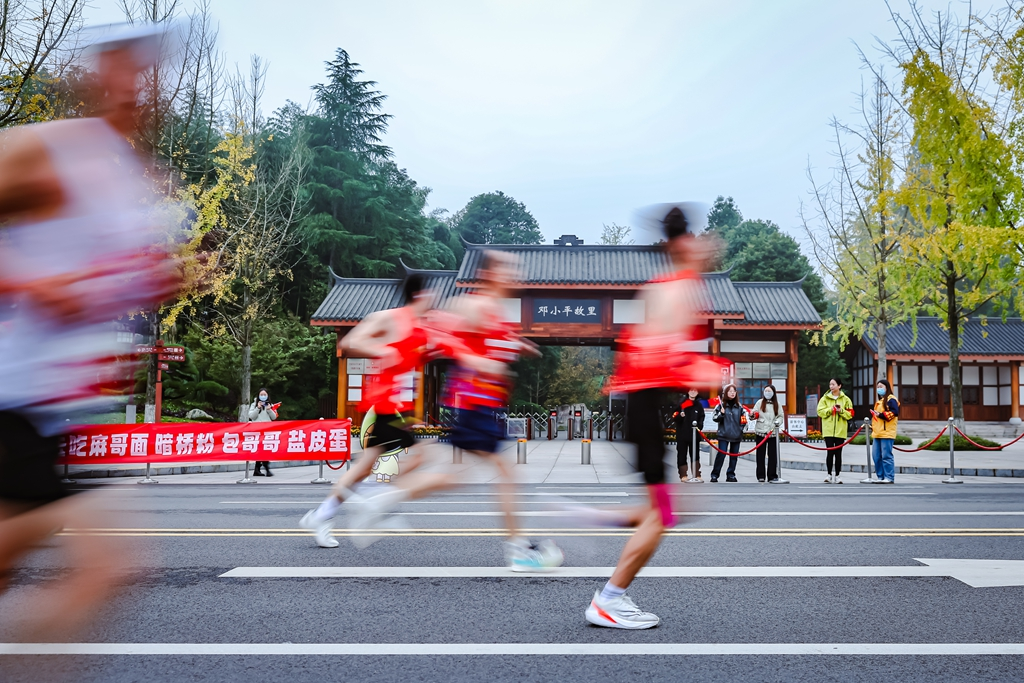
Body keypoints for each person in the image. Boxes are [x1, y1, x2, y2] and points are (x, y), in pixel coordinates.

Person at [0, 26, 180, 638]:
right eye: (119, 67)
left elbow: (103, 284)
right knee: (107, 567)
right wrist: (31, 282)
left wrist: (154, 283)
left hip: (60, 412)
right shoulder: (50, 149)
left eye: (146, 71)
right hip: (15, 398)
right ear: (89, 77)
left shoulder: (134, 178)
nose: (135, 84)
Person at [348, 251, 564, 572]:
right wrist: (476, 360)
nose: (514, 275)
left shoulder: (493, 310)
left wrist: (519, 345)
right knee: (499, 474)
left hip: (482, 404)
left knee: (460, 475)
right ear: (489, 273)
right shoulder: (472, 305)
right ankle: (518, 550)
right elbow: (443, 333)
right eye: (507, 269)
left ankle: (380, 498)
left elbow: (492, 341)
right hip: (474, 403)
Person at [584, 205, 721, 629]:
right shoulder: (675, 290)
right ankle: (609, 600)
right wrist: (698, 369)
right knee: (663, 514)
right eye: (701, 241)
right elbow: (655, 354)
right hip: (644, 405)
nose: (709, 248)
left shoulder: (670, 286)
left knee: (665, 509)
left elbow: (644, 351)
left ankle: (597, 518)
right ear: (684, 245)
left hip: (643, 405)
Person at [300, 274, 433, 548]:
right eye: (430, 294)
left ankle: (322, 515)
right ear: (419, 295)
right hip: (385, 403)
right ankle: (374, 499)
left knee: (363, 468)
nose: (433, 299)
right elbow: (350, 341)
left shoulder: (420, 327)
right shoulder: (391, 317)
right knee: (421, 455)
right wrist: (383, 350)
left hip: (397, 406)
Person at [816, 378, 854, 484]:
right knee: (829, 452)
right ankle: (828, 475)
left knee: (838, 453)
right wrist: (830, 410)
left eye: (833, 384)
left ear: (839, 386)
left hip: (840, 430)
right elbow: (820, 411)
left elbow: (850, 414)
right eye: (830, 384)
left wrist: (841, 411)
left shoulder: (846, 399)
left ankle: (838, 475)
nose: (831, 386)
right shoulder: (825, 398)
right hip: (828, 430)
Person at [709, 383, 748, 483]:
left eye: (734, 391)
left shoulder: (739, 407)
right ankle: (715, 475)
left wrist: (741, 430)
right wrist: (721, 414)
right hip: (723, 435)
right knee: (721, 455)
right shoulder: (720, 405)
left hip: (736, 435)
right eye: (730, 391)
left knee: (734, 457)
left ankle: (731, 474)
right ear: (725, 393)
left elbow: (744, 421)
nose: (732, 393)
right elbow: (714, 418)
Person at [752, 384, 783, 483]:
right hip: (761, 432)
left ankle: (772, 475)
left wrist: (777, 422)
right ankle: (760, 475)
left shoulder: (777, 404)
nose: (767, 393)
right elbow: (754, 413)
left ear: (773, 392)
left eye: (769, 391)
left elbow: (781, 416)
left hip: (772, 432)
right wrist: (752, 415)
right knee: (760, 455)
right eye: (766, 391)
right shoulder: (759, 402)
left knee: (773, 455)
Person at [870, 379, 900, 484]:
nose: (879, 389)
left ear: (887, 388)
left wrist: (880, 415)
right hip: (877, 432)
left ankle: (889, 477)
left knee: (886, 456)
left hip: (887, 432)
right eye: (878, 387)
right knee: (876, 456)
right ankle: (881, 476)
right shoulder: (880, 401)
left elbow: (895, 412)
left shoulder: (891, 399)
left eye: (881, 387)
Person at [675, 388, 705, 482]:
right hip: (682, 434)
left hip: (695, 434)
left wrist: (699, 426)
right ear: (687, 391)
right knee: (682, 455)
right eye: (691, 390)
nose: (693, 392)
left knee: (695, 455)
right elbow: (674, 416)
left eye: (695, 390)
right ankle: (683, 474)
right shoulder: (682, 403)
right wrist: (680, 416)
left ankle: (696, 474)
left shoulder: (699, 405)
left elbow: (701, 417)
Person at [249, 388, 278, 476]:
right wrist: (257, 408)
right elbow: (251, 416)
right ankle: (266, 469)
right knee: (261, 450)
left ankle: (257, 469)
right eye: (261, 394)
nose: (263, 396)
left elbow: (274, 417)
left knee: (265, 450)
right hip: (257, 431)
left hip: (267, 431)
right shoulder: (254, 404)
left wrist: (269, 409)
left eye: (265, 394)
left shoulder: (270, 405)